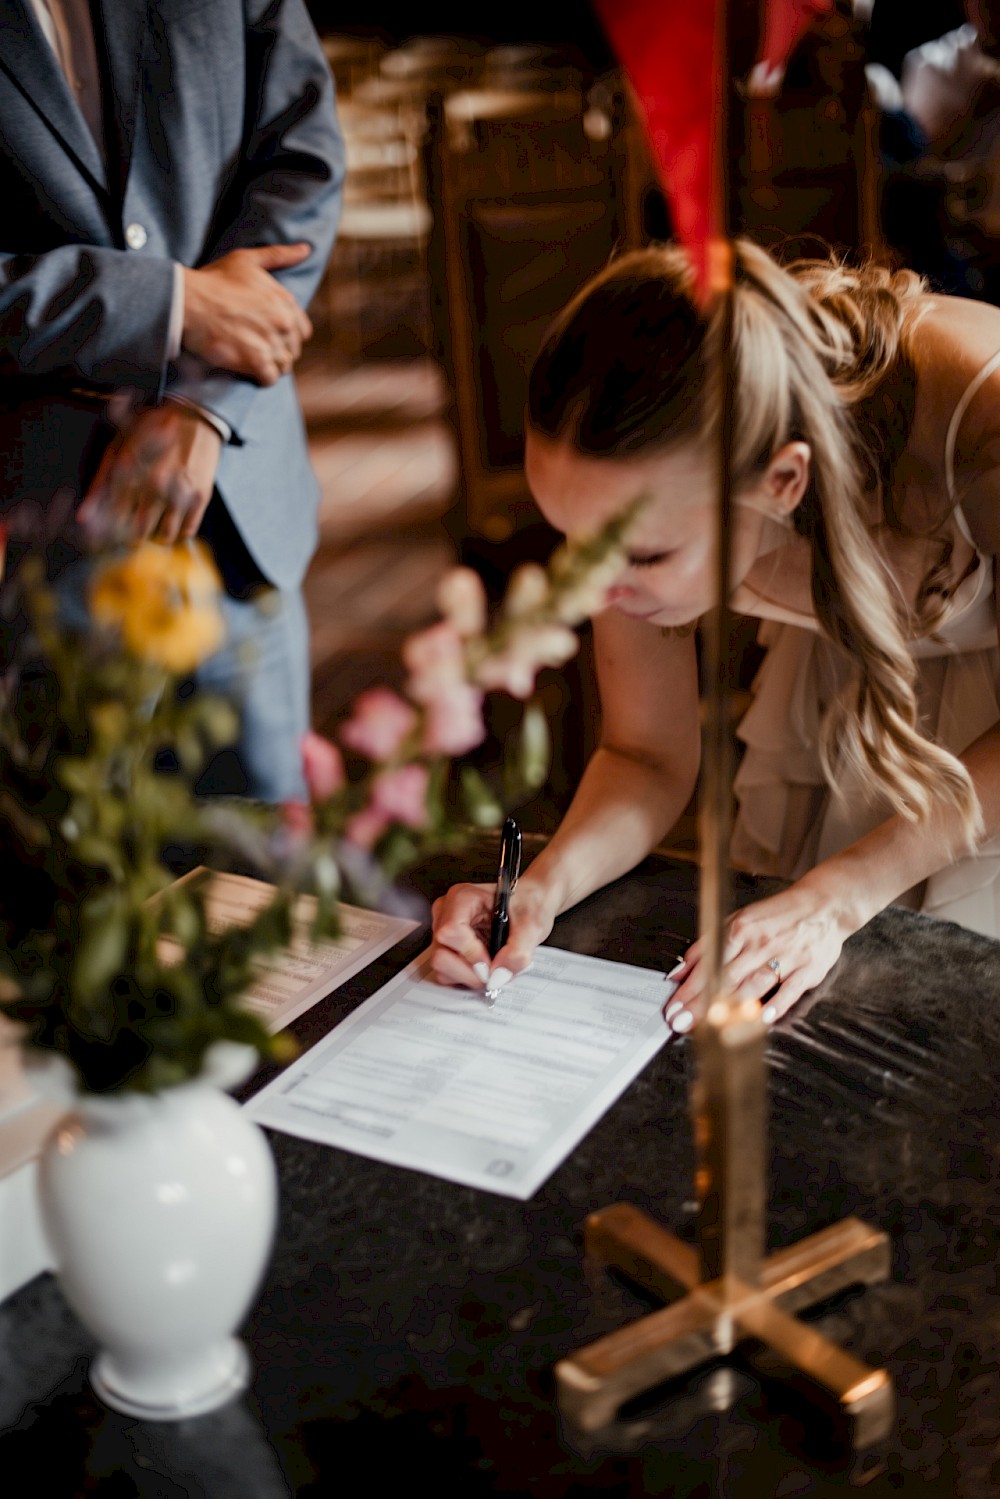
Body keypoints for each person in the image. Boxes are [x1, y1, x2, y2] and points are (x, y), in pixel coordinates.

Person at [429, 237, 1000, 1029]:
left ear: (783, 482)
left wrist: (839, 897)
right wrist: (542, 887)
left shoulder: (981, 418)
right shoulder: (633, 488)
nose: (594, 590)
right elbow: (645, 753)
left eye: (643, 556)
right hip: (841, 695)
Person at [0, 0, 344, 800]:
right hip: (37, 547)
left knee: (270, 897)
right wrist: (170, 305)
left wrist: (202, 405)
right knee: (78, 902)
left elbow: (304, 159)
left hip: (238, 519)